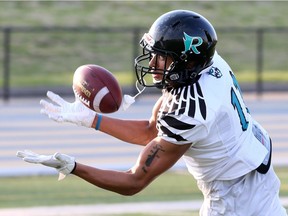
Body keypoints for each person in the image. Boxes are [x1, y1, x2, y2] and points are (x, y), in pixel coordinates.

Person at [17, 10, 287, 215]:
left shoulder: (191, 110)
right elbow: (151, 130)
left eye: (161, 56)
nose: (153, 63)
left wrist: (73, 167)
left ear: (185, 61)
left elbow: (134, 181)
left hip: (234, 197)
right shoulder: (208, 62)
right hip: (256, 172)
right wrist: (91, 119)